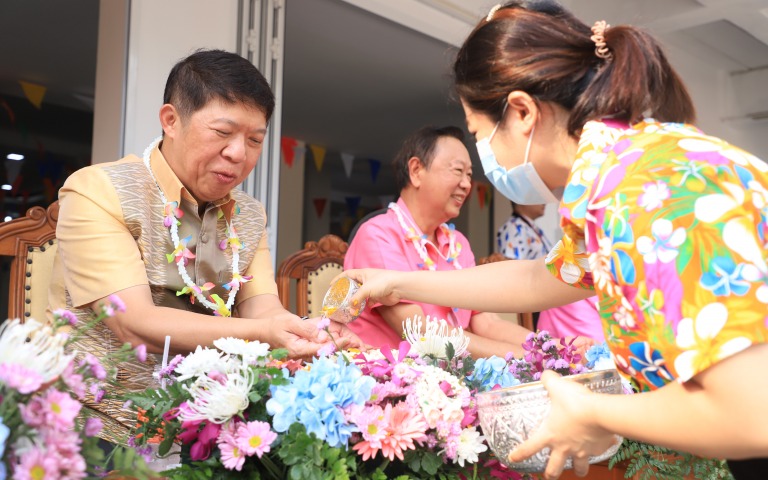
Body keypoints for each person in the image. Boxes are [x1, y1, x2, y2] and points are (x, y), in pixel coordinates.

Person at [344, 2, 768, 479]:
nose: (483, 161)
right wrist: (397, 282)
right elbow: (535, 280)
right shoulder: (624, 175)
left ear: (522, 112)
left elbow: (751, 414)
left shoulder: (647, 187)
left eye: (480, 133)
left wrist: (590, 411)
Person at [49, 49, 362, 440]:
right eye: (222, 132)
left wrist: (308, 334)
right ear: (171, 121)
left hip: (208, 426)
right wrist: (268, 332)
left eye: (254, 139)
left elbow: (262, 309)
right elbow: (135, 323)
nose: (238, 154)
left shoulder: (248, 215)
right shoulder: (99, 190)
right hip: (97, 425)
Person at [344, 125, 532, 358]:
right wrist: (522, 357)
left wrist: (551, 347)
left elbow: (487, 323)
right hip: (390, 382)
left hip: (452, 373)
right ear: (416, 170)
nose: (466, 184)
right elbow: (420, 334)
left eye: (470, 174)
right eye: (458, 171)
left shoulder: (458, 244)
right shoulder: (378, 235)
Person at [498, 200, 603, 341]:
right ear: (520, 199)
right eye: (535, 196)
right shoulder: (513, 227)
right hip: (541, 295)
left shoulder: (534, 228)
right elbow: (515, 270)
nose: (544, 201)